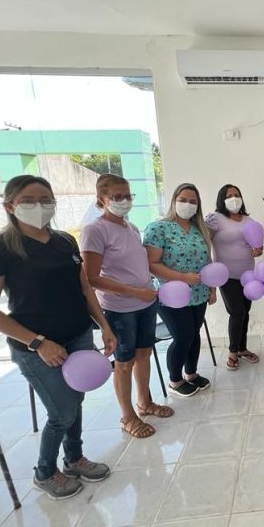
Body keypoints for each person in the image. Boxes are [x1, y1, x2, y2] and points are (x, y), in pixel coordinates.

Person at [0, 175, 116, 500]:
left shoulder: (64, 241)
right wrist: (37, 342)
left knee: (76, 401)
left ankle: (74, 458)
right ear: (10, 206)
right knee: (62, 411)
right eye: (28, 200)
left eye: (45, 200)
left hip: (78, 336)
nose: (39, 206)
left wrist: (104, 325)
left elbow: (84, 288)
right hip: (36, 347)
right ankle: (45, 472)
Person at [81, 174, 174, 440]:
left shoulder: (131, 227)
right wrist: (135, 292)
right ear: (101, 198)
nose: (124, 201)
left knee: (144, 353)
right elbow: (91, 278)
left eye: (127, 196)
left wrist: (149, 289)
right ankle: (127, 416)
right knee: (124, 362)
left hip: (146, 302)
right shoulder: (95, 230)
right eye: (117, 197)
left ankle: (145, 402)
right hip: (120, 308)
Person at [144, 183, 216, 397]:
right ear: (174, 200)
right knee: (183, 336)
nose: (188, 204)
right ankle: (175, 380)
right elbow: (151, 264)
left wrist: (212, 288)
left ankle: (191, 374)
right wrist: (183, 278)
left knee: (194, 334)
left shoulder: (200, 229)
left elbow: (207, 261)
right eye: (183, 200)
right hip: (171, 295)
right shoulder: (158, 228)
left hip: (199, 293)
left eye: (193, 201)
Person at [206, 184, 263, 370]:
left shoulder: (248, 220)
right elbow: (205, 242)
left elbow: (255, 244)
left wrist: (258, 250)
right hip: (226, 275)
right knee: (237, 312)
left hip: (248, 274)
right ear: (221, 199)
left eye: (236, 194)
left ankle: (242, 349)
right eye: (229, 195)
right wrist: (210, 280)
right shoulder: (215, 219)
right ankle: (233, 351)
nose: (233, 198)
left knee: (245, 312)